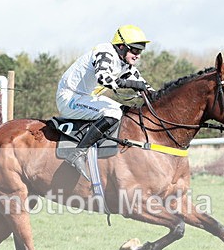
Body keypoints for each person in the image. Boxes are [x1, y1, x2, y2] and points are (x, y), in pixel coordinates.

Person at [56, 25, 154, 173]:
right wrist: (133, 84)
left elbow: (147, 88)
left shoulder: (125, 64)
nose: (138, 55)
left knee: (124, 111)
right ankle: (77, 153)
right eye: (135, 50)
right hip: (69, 98)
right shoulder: (105, 52)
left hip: (86, 98)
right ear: (121, 47)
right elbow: (103, 78)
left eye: (140, 51)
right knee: (113, 112)